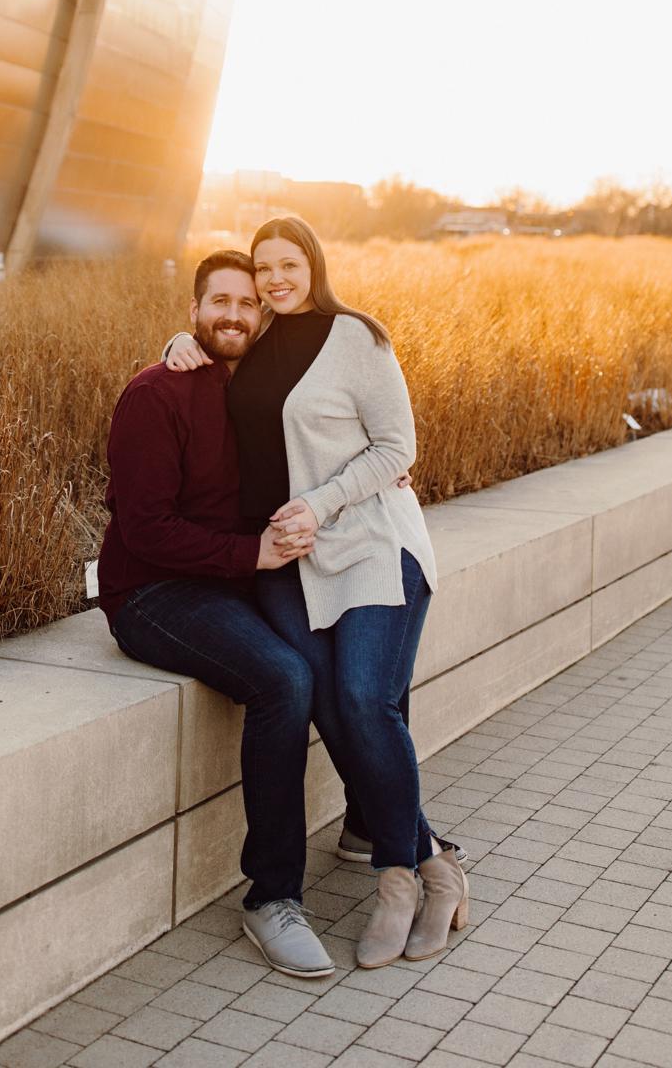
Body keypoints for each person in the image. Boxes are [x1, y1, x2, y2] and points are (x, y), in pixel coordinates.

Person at [165, 215, 469, 967]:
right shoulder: (255, 346)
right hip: (290, 564)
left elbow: (399, 447)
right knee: (326, 703)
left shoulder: (358, 337)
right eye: (263, 267)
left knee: (365, 698)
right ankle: (438, 864)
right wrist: (176, 346)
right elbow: (215, 353)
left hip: (368, 542)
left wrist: (322, 503)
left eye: (287, 264)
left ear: (313, 265)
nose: (273, 279)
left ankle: (398, 881)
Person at [96, 250, 336, 979]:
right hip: (153, 593)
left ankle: (383, 828)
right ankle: (271, 898)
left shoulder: (261, 389)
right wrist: (251, 557)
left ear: (262, 315)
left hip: (233, 579)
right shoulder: (155, 394)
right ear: (195, 311)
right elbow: (144, 528)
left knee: (345, 641)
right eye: (219, 302)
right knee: (283, 679)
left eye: (246, 303)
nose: (233, 314)